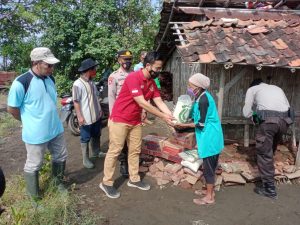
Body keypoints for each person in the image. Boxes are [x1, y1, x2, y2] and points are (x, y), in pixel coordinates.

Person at [99, 51, 174, 199]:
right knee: (115, 150)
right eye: (157, 68)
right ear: (148, 66)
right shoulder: (133, 77)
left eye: (160, 68)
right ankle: (106, 183)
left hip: (135, 120)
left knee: (135, 150)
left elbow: (159, 101)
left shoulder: (151, 83)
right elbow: (141, 102)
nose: (159, 71)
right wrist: (164, 117)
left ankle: (134, 179)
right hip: (120, 119)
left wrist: (172, 117)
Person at [7, 47, 68, 199]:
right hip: (36, 133)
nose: (52, 69)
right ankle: (34, 196)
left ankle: (57, 183)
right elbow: (12, 109)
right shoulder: (21, 82)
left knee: (60, 156)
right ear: (36, 63)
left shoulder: (50, 79)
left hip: (55, 128)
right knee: (34, 163)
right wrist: (28, 121)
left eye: (53, 65)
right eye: (48, 65)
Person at [174, 73, 224, 205]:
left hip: (210, 138)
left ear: (199, 87)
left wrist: (183, 125)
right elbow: (196, 115)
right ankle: (209, 191)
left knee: (208, 168)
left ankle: (209, 197)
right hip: (209, 137)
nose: (189, 87)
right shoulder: (200, 97)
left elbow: (201, 123)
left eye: (191, 86)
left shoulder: (203, 100)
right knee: (209, 167)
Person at [243, 78, 293, 199]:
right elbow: (288, 108)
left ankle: (269, 190)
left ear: (253, 85)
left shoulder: (252, 89)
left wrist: (255, 116)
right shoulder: (277, 88)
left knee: (264, 154)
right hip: (284, 122)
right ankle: (268, 173)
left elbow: (246, 112)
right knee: (270, 149)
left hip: (269, 123)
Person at [72, 58, 104, 169]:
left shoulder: (91, 82)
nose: (96, 70)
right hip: (86, 117)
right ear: (89, 70)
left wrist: (100, 110)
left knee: (97, 134)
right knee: (85, 138)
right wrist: (79, 117)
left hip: (96, 115)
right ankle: (86, 160)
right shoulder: (77, 84)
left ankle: (96, 152)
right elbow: (75, 102)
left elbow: (95, 97)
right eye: (95, 68)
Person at [108, 50, 133, 177]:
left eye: (129, 59)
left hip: (133, 113)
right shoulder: (114, 76)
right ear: (119, 60)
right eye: (125, 59)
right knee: (121, 142)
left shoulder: (135, 74)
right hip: (120, 114)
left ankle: (132, 162)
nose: (127, 62)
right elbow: (111, 98)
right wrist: (112, 118)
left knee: (132, 141)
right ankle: (123, 163)